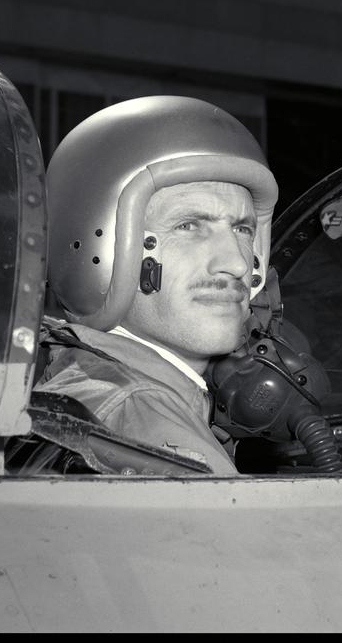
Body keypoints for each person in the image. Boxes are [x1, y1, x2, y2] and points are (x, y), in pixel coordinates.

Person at [35, 95, 278, 475]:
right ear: (103, 245)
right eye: (189, 226)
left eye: (242, 229)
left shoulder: (89, 386)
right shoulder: (145, 428)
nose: (235, 264)